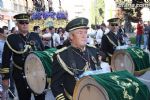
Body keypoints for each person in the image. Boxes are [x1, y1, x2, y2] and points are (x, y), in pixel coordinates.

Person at [51, 17, 106, 100]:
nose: (84, 36)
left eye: (85, 32)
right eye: (80, 33)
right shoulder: (61, 56)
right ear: (71, 36)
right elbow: (55, 85)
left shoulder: (93, 50)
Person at [0, 13, 45, 100]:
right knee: (24, 98)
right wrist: (5, 77)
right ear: (17, 24)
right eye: (21, 22)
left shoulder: (35, 36)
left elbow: (43, 54)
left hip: (37, 73)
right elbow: (5, 59)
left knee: (40, 97)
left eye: (26, 22)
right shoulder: (11, 38)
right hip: (20, 74)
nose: (24, 25)